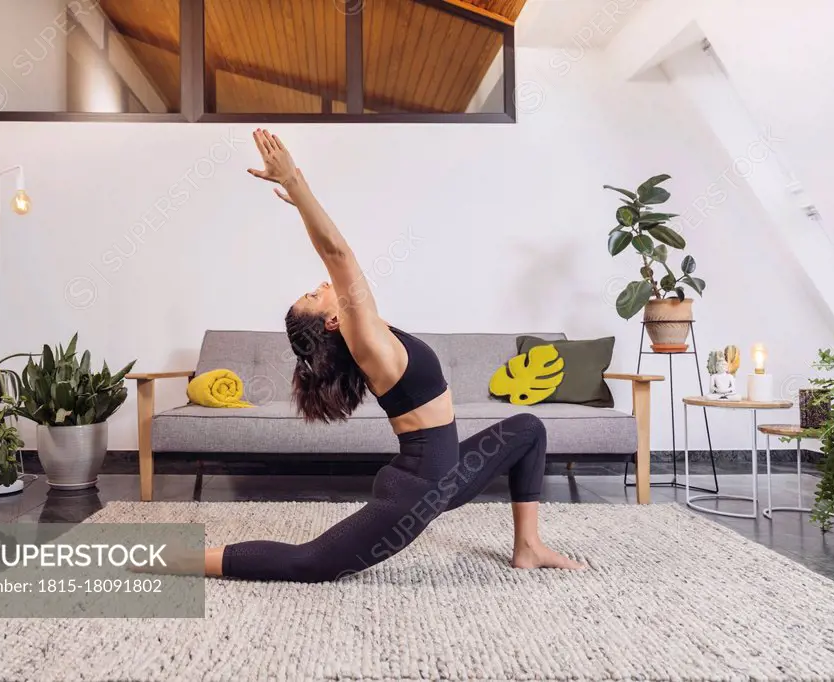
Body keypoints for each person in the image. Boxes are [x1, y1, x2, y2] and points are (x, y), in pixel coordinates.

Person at [201, 129, 583, 582]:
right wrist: (296, 184)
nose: (322, 285)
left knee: (528, 429)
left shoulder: (371, 332)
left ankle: (529, 547)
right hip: (418, 489)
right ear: (332, 323)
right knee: (311, 564)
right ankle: (176, 558)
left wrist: (302, 200)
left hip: (450, 475)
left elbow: (334, 259)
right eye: (312, 294)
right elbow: (337, 253)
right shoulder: (365, 341)